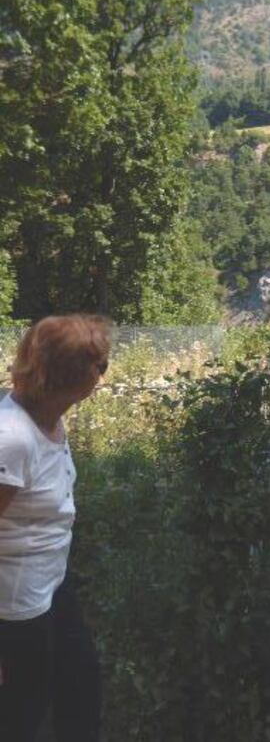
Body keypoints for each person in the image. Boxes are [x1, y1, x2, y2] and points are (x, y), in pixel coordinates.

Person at [0, 314, 111, 741]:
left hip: (50, 584)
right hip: (14, 609)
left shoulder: (49, 416)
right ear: (70, 374)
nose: (102, 374)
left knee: (81, 689)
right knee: (21, 715)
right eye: (99, 365)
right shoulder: (13, 438)